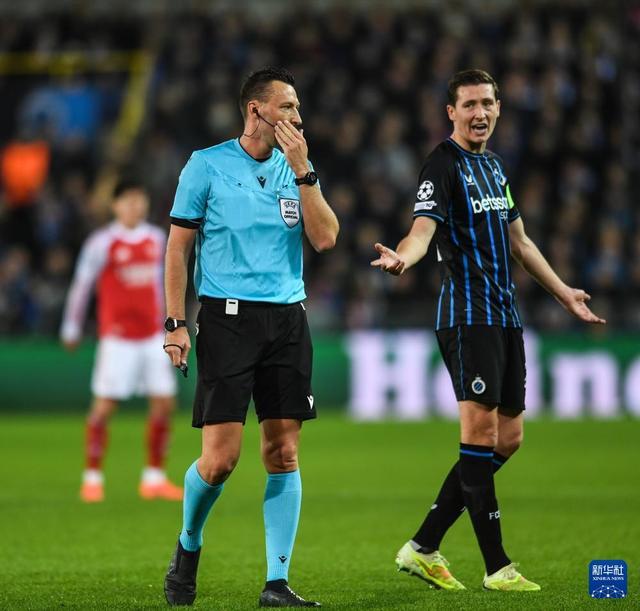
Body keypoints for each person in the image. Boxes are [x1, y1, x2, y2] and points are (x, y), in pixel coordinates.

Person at [371, 69, 605, 592]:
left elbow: (520, 243)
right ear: (451, 112)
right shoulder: (442, 164)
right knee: (478, 437)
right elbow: (422, 231)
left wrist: (563, 292)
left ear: (498, 108)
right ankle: (498, 567)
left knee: (509, 438)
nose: (480, 113)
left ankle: (423, 546)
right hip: (467, 317)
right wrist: (403, 258)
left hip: (505, 316)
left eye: (488, 104)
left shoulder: (494, 167)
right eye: (470, 104)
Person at [162, 67, 339, 607]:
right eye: (288, 106)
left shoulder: (297, 168)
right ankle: (188, 544)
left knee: (283, 453)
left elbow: (326, 238)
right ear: (256, 110)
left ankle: (276, 583)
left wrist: (305, 172)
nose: (298, 117)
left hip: (287, 321)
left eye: (298, 107)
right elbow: (177, 250)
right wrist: (175, 323)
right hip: (227, 321)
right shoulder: (206, 165)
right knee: (220, 460)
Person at [60, 180, 183, 503]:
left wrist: (173, 324)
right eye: (127, 200)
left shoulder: (157, 239)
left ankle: (154, 478)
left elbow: (166, 282)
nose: (134, 206)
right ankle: (92, 478)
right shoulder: (102, 242)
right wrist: (71, 326)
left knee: (164, 403)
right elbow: (82, 285)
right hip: (117, 338)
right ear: (115, 205)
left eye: (139, 199)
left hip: (153, 336)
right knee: (104, 407)